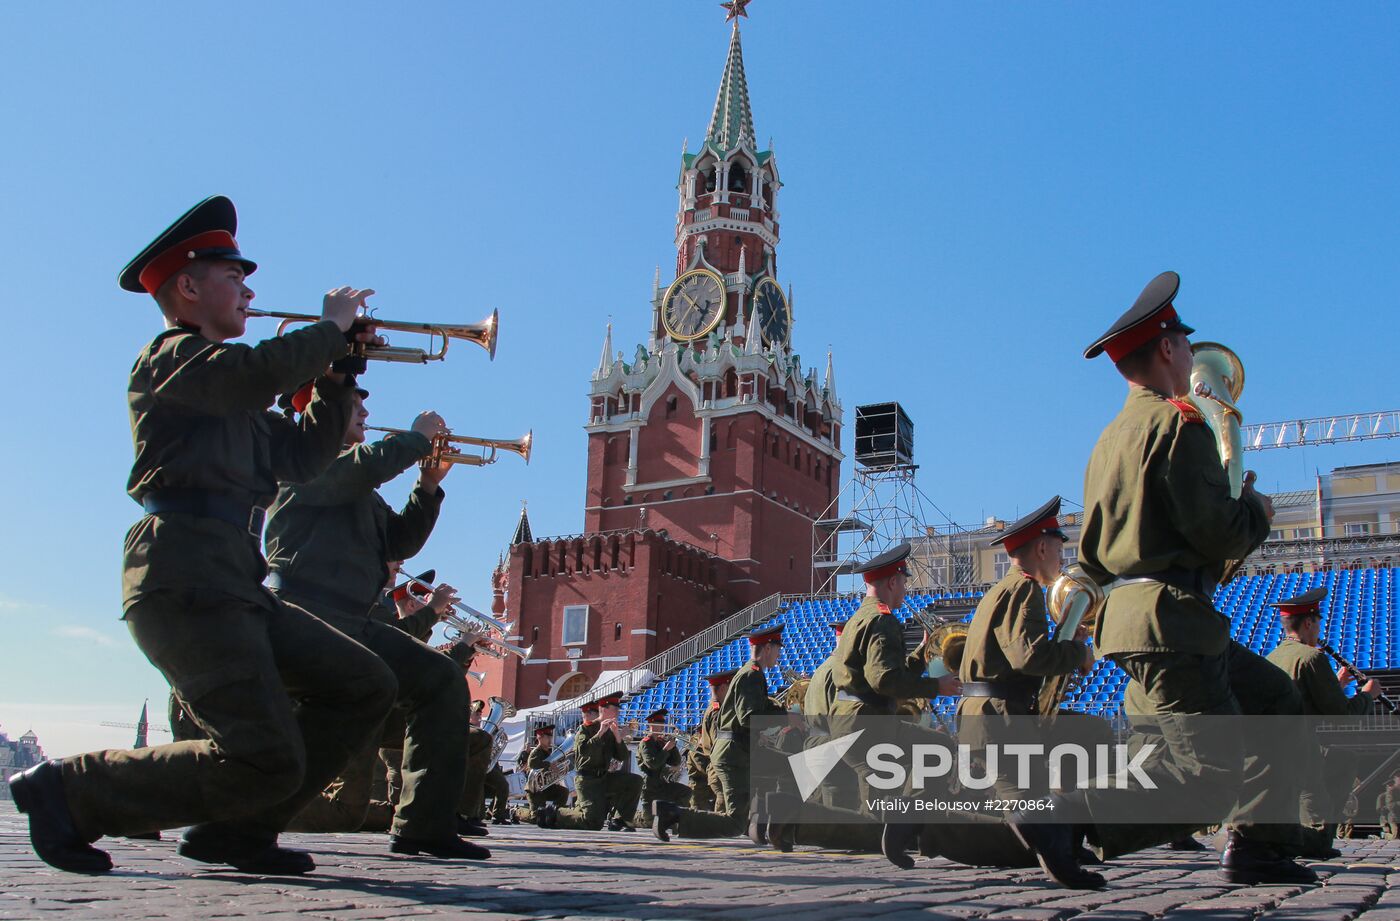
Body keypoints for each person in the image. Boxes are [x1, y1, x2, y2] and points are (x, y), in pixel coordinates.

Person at [7, 196, 399, 875]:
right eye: (233, 276)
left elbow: (303, 459)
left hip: (233, 578)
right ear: (187, 286)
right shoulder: (170, 359)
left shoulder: (230, 393)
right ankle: (70, 789)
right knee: (260, 752)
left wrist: (338, 377)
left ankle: (240, 831)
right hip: (185, 573)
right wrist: (328, 329)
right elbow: (250, 374)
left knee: (363, 683)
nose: (249, 292)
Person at [1071, 270, 1313, 886]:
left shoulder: (1106, 440)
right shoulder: (1178, 423)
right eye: (1183, 341)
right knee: (1209, 777)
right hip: (1173, 619)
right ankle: (1069, 818)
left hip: (1137, 621)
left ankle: (1263, 845)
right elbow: (1217, 533)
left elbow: (1094, 550)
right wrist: (1253, 510)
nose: (1189, 352)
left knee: (1276, 702)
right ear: (1167, 348)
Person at [263, 384, 488, 861]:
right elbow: (361, 468)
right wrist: (414, 439)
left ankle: (423, 826)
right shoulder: (301, 462)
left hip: (349, 619)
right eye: (355, 405)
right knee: (353, 703)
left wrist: (428, 487)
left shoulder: (358, 487)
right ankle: (243, 817)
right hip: (304, 612)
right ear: (318, 411)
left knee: (441, 679)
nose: (366, 411)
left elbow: (401, 542)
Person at [957, 497, 1092, 803]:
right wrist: (1078, 653)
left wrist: (1067, 643)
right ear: (1042, 548)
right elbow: (1029, 658)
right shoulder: (1024, 588)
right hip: (1000, 720)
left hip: (991, 717)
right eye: (1060, 551)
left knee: (1087, 735)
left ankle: (1071, 819)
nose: (1062, 560)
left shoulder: (1004, 588)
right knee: (1030, 812)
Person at [1265, 587, 1382, 858]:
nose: (1319, 630)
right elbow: (1342, 717)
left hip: (1277, 748)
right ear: (1308, 623)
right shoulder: (1312, 657)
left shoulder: (1273, 657)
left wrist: (1336, 685)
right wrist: (1368, 695)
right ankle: (1308, 841)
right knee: (1343, 763)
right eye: (1318, 623)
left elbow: (1302, 701)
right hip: (1301, 752)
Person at [539, 695, 642, 831]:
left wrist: (617, 736)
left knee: (635, 781)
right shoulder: (585, 729)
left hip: (603, 778)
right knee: (593, 823)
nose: (618, 712)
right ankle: (555, 813)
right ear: (604, 709)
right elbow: (584, 751)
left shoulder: (611, 731)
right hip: (588, 781)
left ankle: (620, 821)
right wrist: (600, 733)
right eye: (615, 709)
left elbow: (622, 756)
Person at [636, 709, 692, 820]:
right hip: (650, 788)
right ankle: (636, 818)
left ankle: (677, 819)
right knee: (648, 821)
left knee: (686, 792)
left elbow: (675, 762)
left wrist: (673, 746)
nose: (662, 727)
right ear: (651, 725)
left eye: (662, 723)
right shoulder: (646, 743)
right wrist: (666, 749)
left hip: (662, 785)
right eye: (659, 724)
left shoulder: (660, 742)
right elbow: (652, 764)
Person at [524, 724, 571, 822]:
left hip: (546, 787)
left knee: (563, 792)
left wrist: (557, 769)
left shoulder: (548, 752)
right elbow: (532, 764)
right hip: (535, 790)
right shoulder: (536, 752)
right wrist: (549, 765)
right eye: (547, 737)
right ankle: (517, 812)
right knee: (536, 818)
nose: (550, 739)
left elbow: (552, 767)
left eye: (550, 737)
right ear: (540, 738)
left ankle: (554, 812)